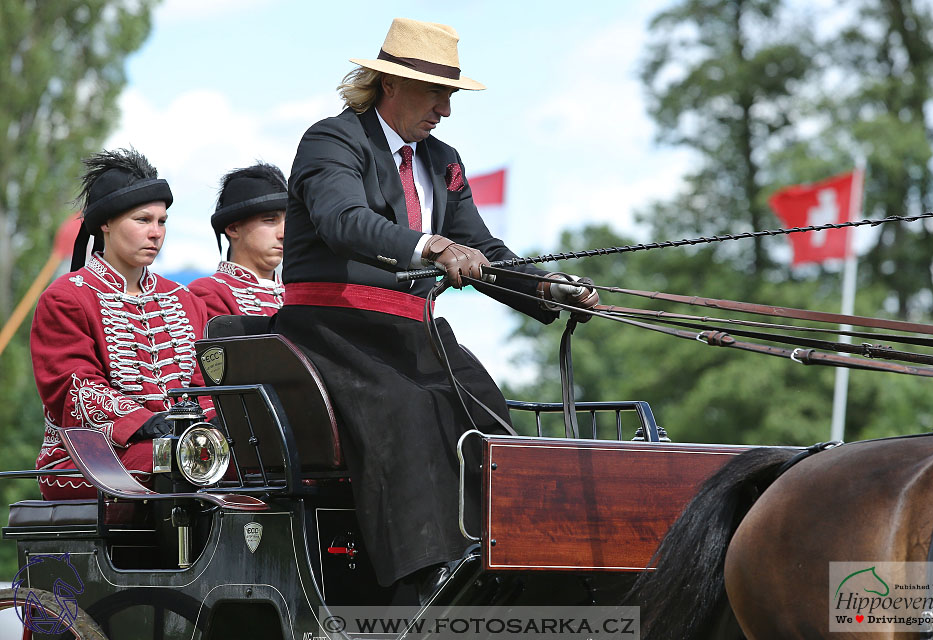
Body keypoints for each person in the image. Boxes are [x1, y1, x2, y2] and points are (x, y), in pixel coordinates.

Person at [276, 18, 599, 598]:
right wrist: (430, 245)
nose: (445, 109)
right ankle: (421, 580)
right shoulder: (331, 140)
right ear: (390, 85)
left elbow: (485, 251)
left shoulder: (442, 158)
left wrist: (548, 290)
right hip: (329, 329)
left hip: (410, 331)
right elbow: (341, 220)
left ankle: (499, 559)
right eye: (436, 93)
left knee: (487, 406)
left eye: (451, 95)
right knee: (406, 408)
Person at [31, 148, 214, 500]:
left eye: (162, 222)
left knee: (251, 462)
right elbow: (74, 389)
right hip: (89, 455)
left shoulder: (184, 299)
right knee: (176, 463)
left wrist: (207, 426)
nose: (156, 233)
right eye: (143, 220)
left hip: (185, 447)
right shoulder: (67, 297)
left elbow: (201, 382)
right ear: (107, 223)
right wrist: (143, 422)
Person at [189, 162, 286, 318]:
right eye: (269, 220)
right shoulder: (209, 293)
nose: (283, 233)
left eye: (289, 222)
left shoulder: (297, 295)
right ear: (233, 228)